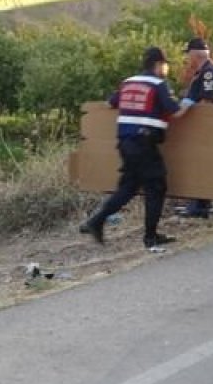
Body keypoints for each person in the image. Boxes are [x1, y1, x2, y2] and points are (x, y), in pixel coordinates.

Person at [79, 46, 187, 249]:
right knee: (157, 186)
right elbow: (176, 112)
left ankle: (96, 221)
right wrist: (188, 103)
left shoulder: (128, 83)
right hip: (144, 143)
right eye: (165, 65)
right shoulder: (158, 84)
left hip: (126, 143)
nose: (166, 69)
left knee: (128, 187)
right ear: (158, 65)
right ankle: (150, 237)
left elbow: (111, 103)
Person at [175, 37, 213, 219]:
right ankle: (200, 204)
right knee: (202, 163)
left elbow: (207, 100)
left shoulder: (209, 72)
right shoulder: (204, 71)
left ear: (195, 54)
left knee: (200, 163)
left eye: (188, 54)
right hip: (204, 125)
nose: (188, 58)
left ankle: (199, 206)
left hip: (205, 125)